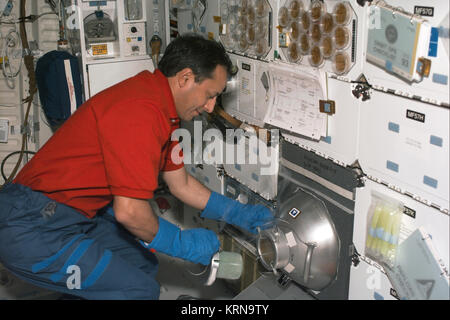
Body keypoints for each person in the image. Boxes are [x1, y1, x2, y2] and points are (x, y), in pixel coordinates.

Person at [0, 33, 274, 299]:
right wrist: (181, 244)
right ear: (185, 79)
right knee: (138, 291)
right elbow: (129, 212)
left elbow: (182, 184)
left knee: (141, 264)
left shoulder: (164, 112)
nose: (212, 107)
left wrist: (238, 212)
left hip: (71, 216)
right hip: (32, 225)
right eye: (210, 95)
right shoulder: (140, 112)